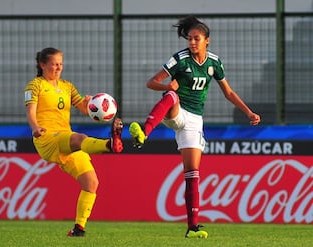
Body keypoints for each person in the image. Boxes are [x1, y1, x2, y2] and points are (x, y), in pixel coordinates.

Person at [129, 16, 261, 238]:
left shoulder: (214, 63)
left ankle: (192, 228)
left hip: (194, 121)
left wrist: (248, 112)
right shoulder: (180, 59)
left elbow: (228, 92)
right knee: (171, 94)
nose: (192, 42)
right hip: (176, 111)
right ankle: (144, 133)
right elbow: (150, 82)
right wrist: (166, 85)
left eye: (196, 39)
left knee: (192, 173)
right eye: (189, 38)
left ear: (207, 40)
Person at [24, 47, 123, 237]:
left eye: (60, 64)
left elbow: (84, 109)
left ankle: (79, 228)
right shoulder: (35, 86)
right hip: (46, 138)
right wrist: (35, 127)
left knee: (91, 182)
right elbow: (30, 111)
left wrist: (90, 103)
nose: (58, 67)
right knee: (80, 138)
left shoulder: (67, 86)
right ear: (42, 64)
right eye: (54, 64)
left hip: (64, 137)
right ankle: (110, 144)